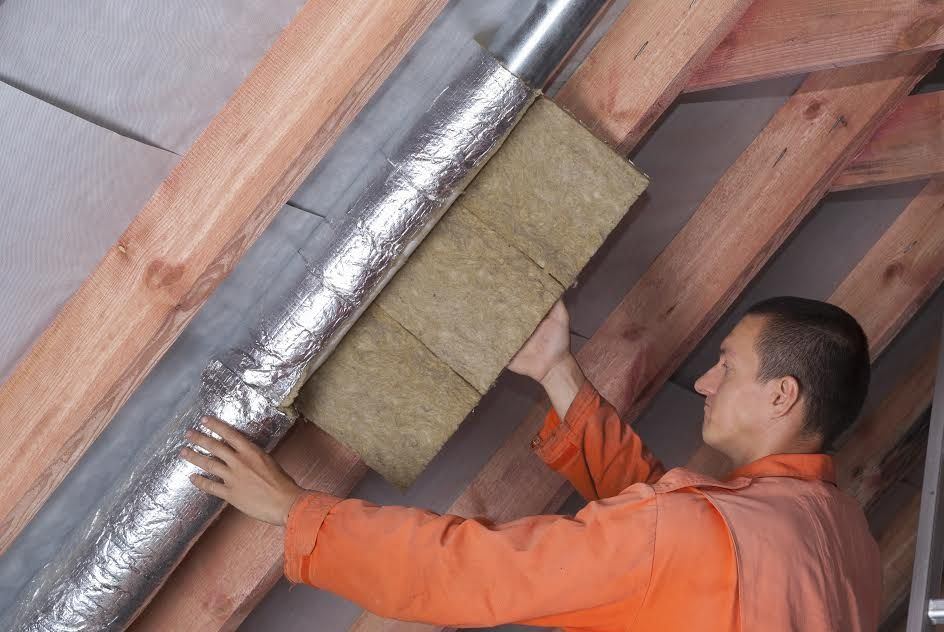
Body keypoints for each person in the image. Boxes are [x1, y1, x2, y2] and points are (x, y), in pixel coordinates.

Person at [181, 295, 881, 631]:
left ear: (781, 394)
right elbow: (660, 536)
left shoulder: (697, 534)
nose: (702, 382)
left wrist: (291, 510)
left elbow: (476, 572)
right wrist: (556, 371)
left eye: (725, 367)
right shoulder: (843, 541)